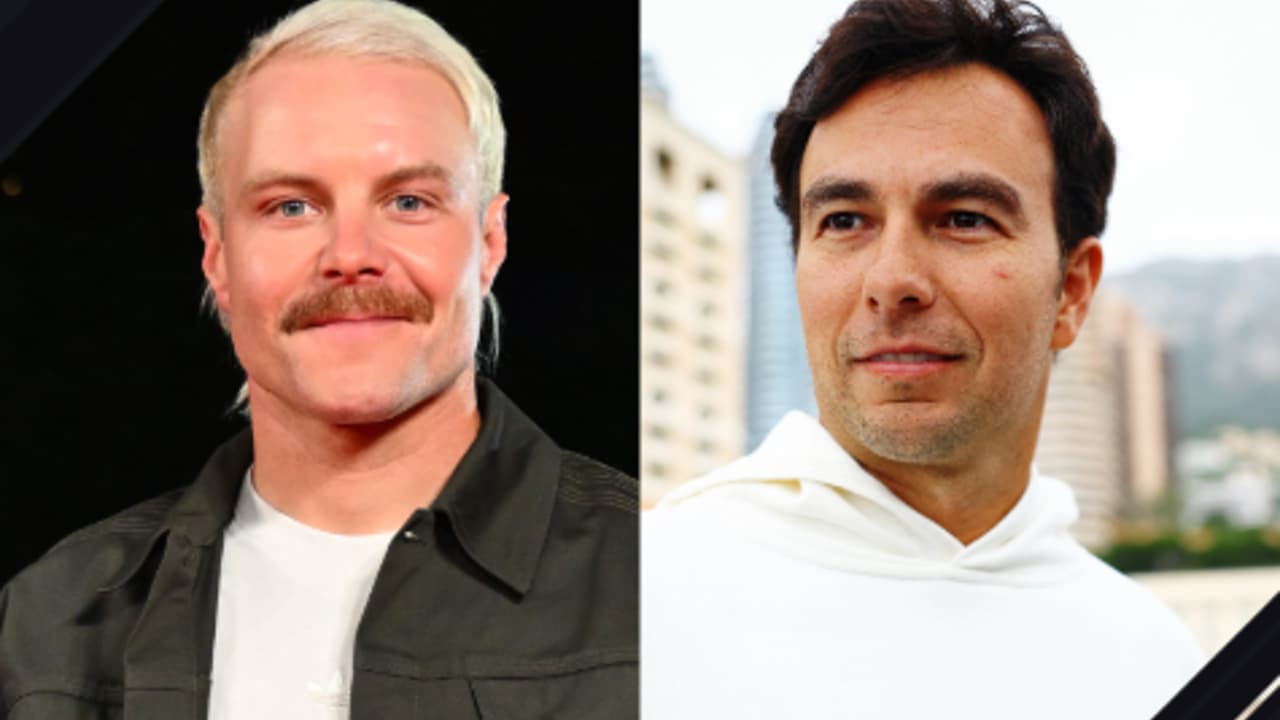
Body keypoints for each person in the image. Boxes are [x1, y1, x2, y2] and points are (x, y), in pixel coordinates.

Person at [0, 1, 637, 717]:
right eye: (290, 208)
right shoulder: (46, 626)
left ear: (490, 243)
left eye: (408, 201)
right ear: (217, 256)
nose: (351, 258)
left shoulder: (665, 580)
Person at [642, 0, 1202, 717]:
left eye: (965, 218)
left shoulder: (1156, 662)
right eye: (845, 221)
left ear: (1071, 292)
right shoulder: (629, 599)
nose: (891, 281)